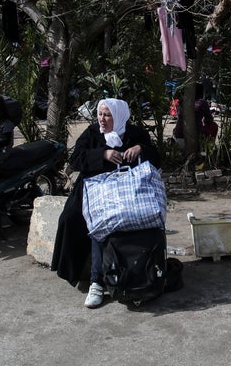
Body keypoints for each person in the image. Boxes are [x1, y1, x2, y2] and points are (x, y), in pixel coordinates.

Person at [51, 98, 161, 308]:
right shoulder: (93, 133)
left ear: (119, 116)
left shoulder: (135, 134)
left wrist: (140, 149)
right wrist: (103, 154)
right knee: (71, 218)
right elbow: (76, 159)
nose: (102, 119)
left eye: (108, 115)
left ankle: (131, 276)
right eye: (100, 114)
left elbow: (156, 158)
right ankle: (88, 278)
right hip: (93, 188)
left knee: (122, 222)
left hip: (126, 190)